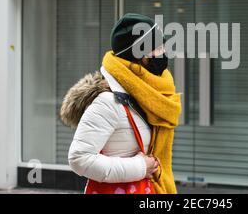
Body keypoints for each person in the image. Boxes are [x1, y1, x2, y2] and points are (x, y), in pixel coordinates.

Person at [60, 13, 182, 194]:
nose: (164, 53)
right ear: (139, 54)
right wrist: (139, 167)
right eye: (158, 48)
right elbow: (79, 158)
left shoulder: (151, 94)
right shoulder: (109, 102)